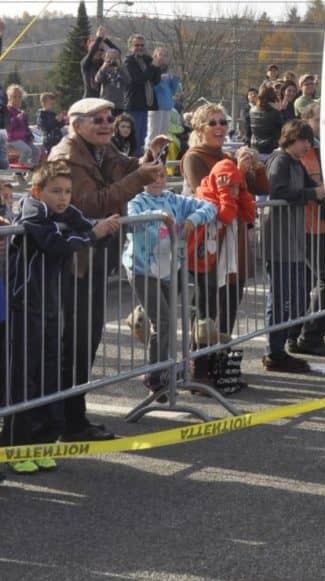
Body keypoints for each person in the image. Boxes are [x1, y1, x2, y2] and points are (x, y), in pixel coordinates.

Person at [47, 97, 168, 442]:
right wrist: (138, 178)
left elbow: (126, 168)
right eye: (97, 119)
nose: (106, 123)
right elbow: (90, 205)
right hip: (71, 263)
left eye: (109, 117)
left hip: (94, 257)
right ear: (76, 124)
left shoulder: (101, 148)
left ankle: (74, 416)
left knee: (87, 338)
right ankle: (66, 421)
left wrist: (150, 157)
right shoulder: (67, 156)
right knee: (73, 341)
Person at [4, 161, 120, 473]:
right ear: (36, 191)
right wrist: (94, 235)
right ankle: (15, 448)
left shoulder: (62, 211)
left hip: (52, 307)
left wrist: (102, 229)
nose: (63, 198)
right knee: (23, 380)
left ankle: (42, 442)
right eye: (56, 191)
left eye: (67, 191)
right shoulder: (32, 212)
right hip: (25, 307)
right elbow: (55, 244)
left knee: (50, 377)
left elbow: (84, 225)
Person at [182, 103, 268, 386]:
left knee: (230, 304)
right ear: (199, 129)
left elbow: (262, 189)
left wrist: (254, 167)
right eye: (213, 123)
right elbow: (205, 198)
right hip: (208, 244)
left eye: (223, 122)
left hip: (235, 241)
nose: (220, 128)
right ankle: (199, 368)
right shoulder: (193, 157)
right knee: (206, 307)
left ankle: (220, 366)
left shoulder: (228, 156)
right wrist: (238, 175)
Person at [122, 165, 217, 396]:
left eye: (161, 176)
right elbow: (132, 220)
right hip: (142, 269)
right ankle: (155, 374)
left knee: (167, 322)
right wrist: (157, 218)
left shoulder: (175, 199)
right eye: (151, 176)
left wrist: (193, 219)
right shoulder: (138, 201)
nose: (157, 180)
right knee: (163, 321)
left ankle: (164, 369)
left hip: (169, 269)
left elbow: (211, 207)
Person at [261, 119, 325, 373]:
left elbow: (313, 189)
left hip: (293, 238)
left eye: (309, 141)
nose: (307, 146)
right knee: (279, 298)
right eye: (303, 140)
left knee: (296, 295)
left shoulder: (296, 163)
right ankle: (274, 352)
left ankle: (280, 347)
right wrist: (313, 195)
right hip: (279, 238)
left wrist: (322, 192)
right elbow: (278, 192)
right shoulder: (280, 161)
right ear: (291, 138)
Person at [291, 101, 325, 357]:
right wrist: (315, 192)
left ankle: (303, 335)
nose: (324, 125)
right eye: (319, 120)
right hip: (306, 228)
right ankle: (308, 335)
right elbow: (286, 189)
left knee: (321, 282)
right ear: (306, 120)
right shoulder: (298, 152)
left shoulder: (324, 149)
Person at [123, 33, 162, 155]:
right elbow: (138, 79)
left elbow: (155, 80)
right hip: (135, 104)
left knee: (145, 136)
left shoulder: (148, 60)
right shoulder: (128, 61)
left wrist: (157, 66)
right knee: (135, 135)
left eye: (142, 45)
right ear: (130, 46)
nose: (140, 47)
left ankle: (141, 160)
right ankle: (131, 160)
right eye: (136, 45)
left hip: (148, 104)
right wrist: (152, 68)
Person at [148, 47, 181, 144]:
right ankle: (149, 154)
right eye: (160, 54)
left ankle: (161, 154)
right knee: (154, 133)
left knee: (163, 135)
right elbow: (151, 87)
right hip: (155, 106)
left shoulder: (167, 72)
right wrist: (160, 79)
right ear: (155, 56)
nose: (163, 57)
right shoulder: (152, 69)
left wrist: (176, 78)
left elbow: (172, 91)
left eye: (165, 55)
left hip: (167, 107)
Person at [81, 26, 121, 99]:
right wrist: (99, 38)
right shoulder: (86, 62)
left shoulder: (104, 63)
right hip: (89, 98)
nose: (99, 52)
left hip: (102, 98)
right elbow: (91, 53)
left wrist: (105, 40)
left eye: (102, 50)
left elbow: (118, 52)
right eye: (98, 49)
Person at [5, 85, 40, 167]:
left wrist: (30, 136)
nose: (17, 99)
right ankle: (21, 167)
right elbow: (7, 128)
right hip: (11, 140)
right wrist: (16, 119)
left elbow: (26, 128)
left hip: (22, 140)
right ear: (9, 98)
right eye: (14, 96)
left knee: (37, 151)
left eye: (19, 97)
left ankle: (32, 170)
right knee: (27, 150)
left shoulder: (22, 113)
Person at [247, 85, 283, 158]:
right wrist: (280, 110)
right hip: (270, 149)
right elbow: (283, 129)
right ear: (273, 97)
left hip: (255, 148)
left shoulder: (252, 111)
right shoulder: (275, 113)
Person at [96, 47, 131, 115]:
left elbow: (128, 81)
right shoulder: (104, 68)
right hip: (105, 103)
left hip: (119, 104)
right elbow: (97, 79)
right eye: (110, 58)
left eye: (114, 58)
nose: (112, 60)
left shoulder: (122, 68)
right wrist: (104, 67)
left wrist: (119, 68)